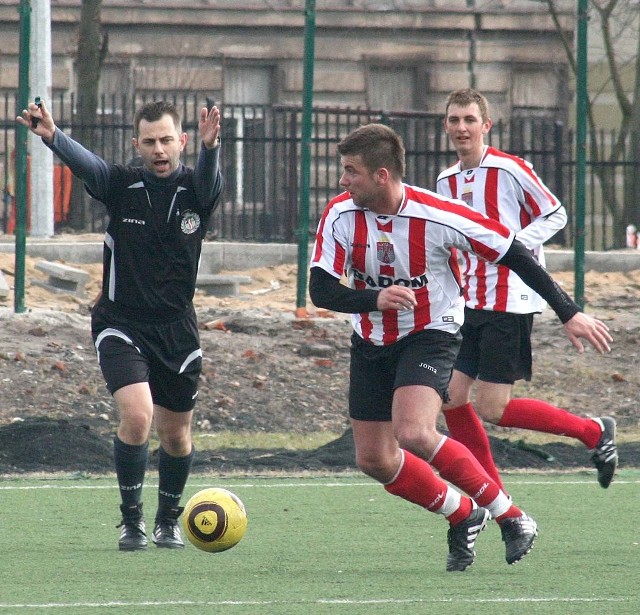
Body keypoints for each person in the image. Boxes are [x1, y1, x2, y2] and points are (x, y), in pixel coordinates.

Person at [309, 123, 612, 572]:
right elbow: (321, 290)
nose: (342, 180)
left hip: (431, 331)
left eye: (350, 171)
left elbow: (514, 253)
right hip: (372, 338)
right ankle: (461, 513)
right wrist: (374, 298)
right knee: (374, 458)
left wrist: (568, 311)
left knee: (413, 431)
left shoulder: (437, 215)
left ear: (382, 176)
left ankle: (511, 517)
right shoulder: (339, 214)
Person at [17, 99, 224, 551]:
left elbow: (208, 180)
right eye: (149, 141)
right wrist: (53, 135)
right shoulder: (122, 185)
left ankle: (168, 521)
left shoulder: (198, 190)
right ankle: (132, 523)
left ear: (182, 141)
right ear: (137, 145)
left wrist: (212, 149)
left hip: (176, 330)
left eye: (167, 139)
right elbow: (88, 164)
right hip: (121, 324)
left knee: (176, 434)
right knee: (137, 414)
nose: (159, 149)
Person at [436, 88, 618, 491]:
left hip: (510, 298)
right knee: (450, 397)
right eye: (454, 120)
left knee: (493, 408)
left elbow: (556, 212)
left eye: (469, 120)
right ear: (446, 125)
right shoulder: (445, 180)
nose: (461, 128)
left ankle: (593, 432)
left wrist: (510, 245)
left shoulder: (509, 168)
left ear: (486, 126)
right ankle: (493, 494)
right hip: (469, 302)